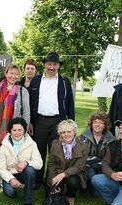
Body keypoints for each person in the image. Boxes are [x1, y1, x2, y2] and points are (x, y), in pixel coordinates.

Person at [28, 52, 75, 188]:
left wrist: (70, 123)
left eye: (55, 64)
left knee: (55, 153)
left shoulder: (65, 82)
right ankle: (37, 180)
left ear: (58, 66)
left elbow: (70, 103)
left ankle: (52, 181)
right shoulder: (36, 80)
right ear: (45, 65)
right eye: (49, 64)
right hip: (39, 122)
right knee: (38, 152)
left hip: (58, 122)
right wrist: (30, 121)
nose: (52, 67)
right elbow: (30, 102)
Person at [0, 64, 30, 190]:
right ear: (6, 73)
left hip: (13, 131)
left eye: (16, 74)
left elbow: (26, 112)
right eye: (11, 73)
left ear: (19, 76)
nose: (13, 76)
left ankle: (9, 180)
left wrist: (23, 129)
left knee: (11, 157)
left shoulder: (22, 91)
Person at [0, 118, 43, 205]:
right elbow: (0, 168)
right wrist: (11, 179)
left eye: (20, 130)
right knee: (11, 193)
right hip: (10, 174)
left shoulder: (32, 144)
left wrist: (26, 162)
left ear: (24, 130)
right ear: (10, 131)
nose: (17, 133)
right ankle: (11, 185)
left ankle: (27, 200)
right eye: (14, 130)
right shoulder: (4, 146)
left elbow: (39, 163)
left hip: (25, 173)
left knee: (30, 170)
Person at [46, 119, 87, 205]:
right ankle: (60, 189)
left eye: (69, 131)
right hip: (58, 172)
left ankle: (71, 196)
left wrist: (63, 174)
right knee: (49, 194)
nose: (66, 134)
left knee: (73, 182)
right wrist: (52, 180)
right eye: (63, 132)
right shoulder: (55, 144)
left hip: (74, 174)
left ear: (74, 132)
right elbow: (51, 163)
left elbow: (78, 167)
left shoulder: (83, 146)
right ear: (60, 134)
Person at [79, 111, 115, 195]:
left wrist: (99, 163)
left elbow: (111, 158)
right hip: (87, 165)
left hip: (103, 166)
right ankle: (86, 188)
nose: (98, 125)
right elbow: (81, 156)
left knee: (101, 178)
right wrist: (96, 160)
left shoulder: (111, 139)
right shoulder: (83, 137)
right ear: (91, 124)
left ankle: (96, 189)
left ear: (105, 125)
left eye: (101, 123)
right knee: (91, 174)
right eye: (95, 122)